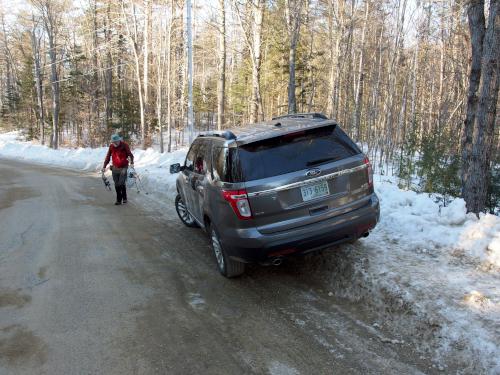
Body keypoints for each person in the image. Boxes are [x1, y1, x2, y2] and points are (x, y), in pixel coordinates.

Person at [102, 134, 134, 205]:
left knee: (121, 183)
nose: (115, 143)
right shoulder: (111, 147)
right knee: (116, 184)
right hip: (115, 167)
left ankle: (124, 198)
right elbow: (108, 157)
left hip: (123, 167)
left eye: (116, 141)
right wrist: (104, 166)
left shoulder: (124, 145)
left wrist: (132, 162)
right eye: (113, 142)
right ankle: (119, 200)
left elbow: (130, 155)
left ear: (119, 140)